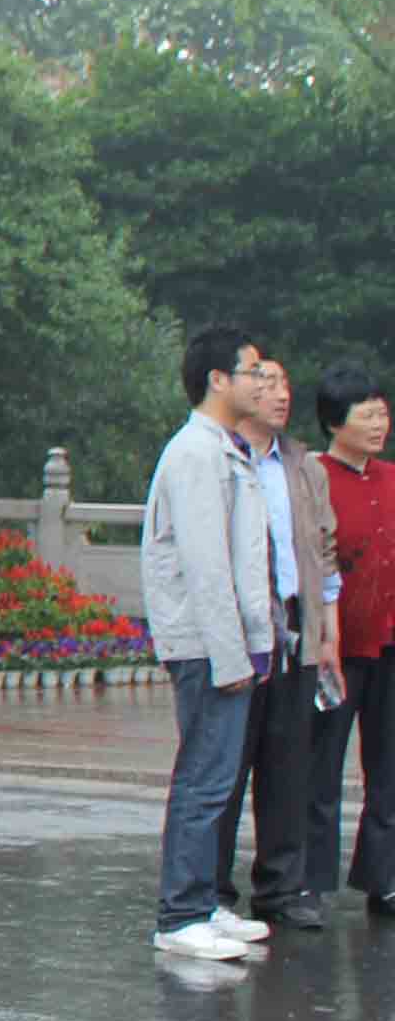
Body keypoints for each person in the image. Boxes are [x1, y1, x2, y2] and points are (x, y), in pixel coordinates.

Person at [145, 326, 281, 963]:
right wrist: (232, 657)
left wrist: (258, 641)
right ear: (218, 380)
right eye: (252, 371)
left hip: (225, 642)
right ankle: (180, 914)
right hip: (205, 644)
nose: (263, 382)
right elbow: (206, 566)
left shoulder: (225, 449)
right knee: (203, 779)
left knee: (219, 780)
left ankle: (203, 903)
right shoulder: (196, 454)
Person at [215, 356, 339, 931]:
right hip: (241, 629)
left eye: (286, 384)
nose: (281, 394)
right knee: (226, 765)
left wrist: (326, 631)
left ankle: (281, 888)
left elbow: (324, 550)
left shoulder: (303, 465)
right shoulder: (221, 457)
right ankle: (211, 890)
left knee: (288, 767)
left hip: (295, 626)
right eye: (267, 383)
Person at [313, 366, 395, 918]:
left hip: (389, 644)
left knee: (388, 767)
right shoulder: (313, 479)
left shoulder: (391, 478)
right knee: (320, 766)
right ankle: (310, 883)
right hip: (335, 649)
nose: (378, 424)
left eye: (382, 413)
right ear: (334, 422)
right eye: (366, 415)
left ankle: (383, 878)